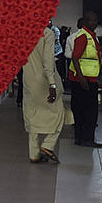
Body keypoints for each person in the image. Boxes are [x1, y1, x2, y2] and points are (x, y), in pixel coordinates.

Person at [22, 24, 73, 163]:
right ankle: (48, 145)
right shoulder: (47, 33)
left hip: (28, 80)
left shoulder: (22, 32)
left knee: (32, 113)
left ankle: (33, 154)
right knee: (59, 113)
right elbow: (48, 61)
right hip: (45, 81)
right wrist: (52, 84)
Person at [69, 11, 102, 148]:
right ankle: (87, 139)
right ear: (85, 21)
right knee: (89, 111)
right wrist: (81, 77)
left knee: (81, 109)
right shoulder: (83, 36)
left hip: (88, 78)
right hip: (84, 80)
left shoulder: (91, 36)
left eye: (95, 20)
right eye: (91, 20)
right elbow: (75, 58)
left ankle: (80, 138)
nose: (93, 23)